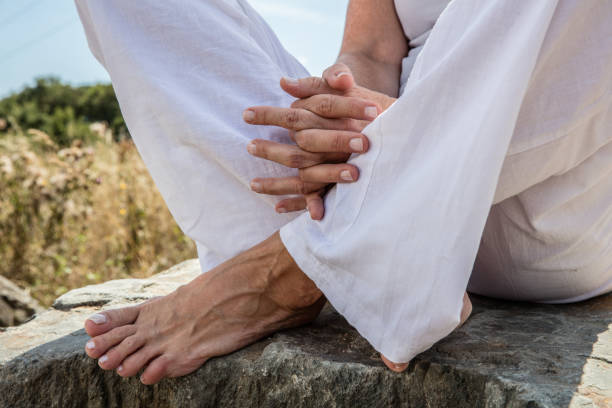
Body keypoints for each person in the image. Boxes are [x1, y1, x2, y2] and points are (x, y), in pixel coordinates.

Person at [75, 0, 612, 385]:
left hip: (539, 208)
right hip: (366, 181)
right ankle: (330, 242)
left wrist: (398, 146)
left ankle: (291, 271)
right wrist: (348, 111)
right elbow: (371, 49)